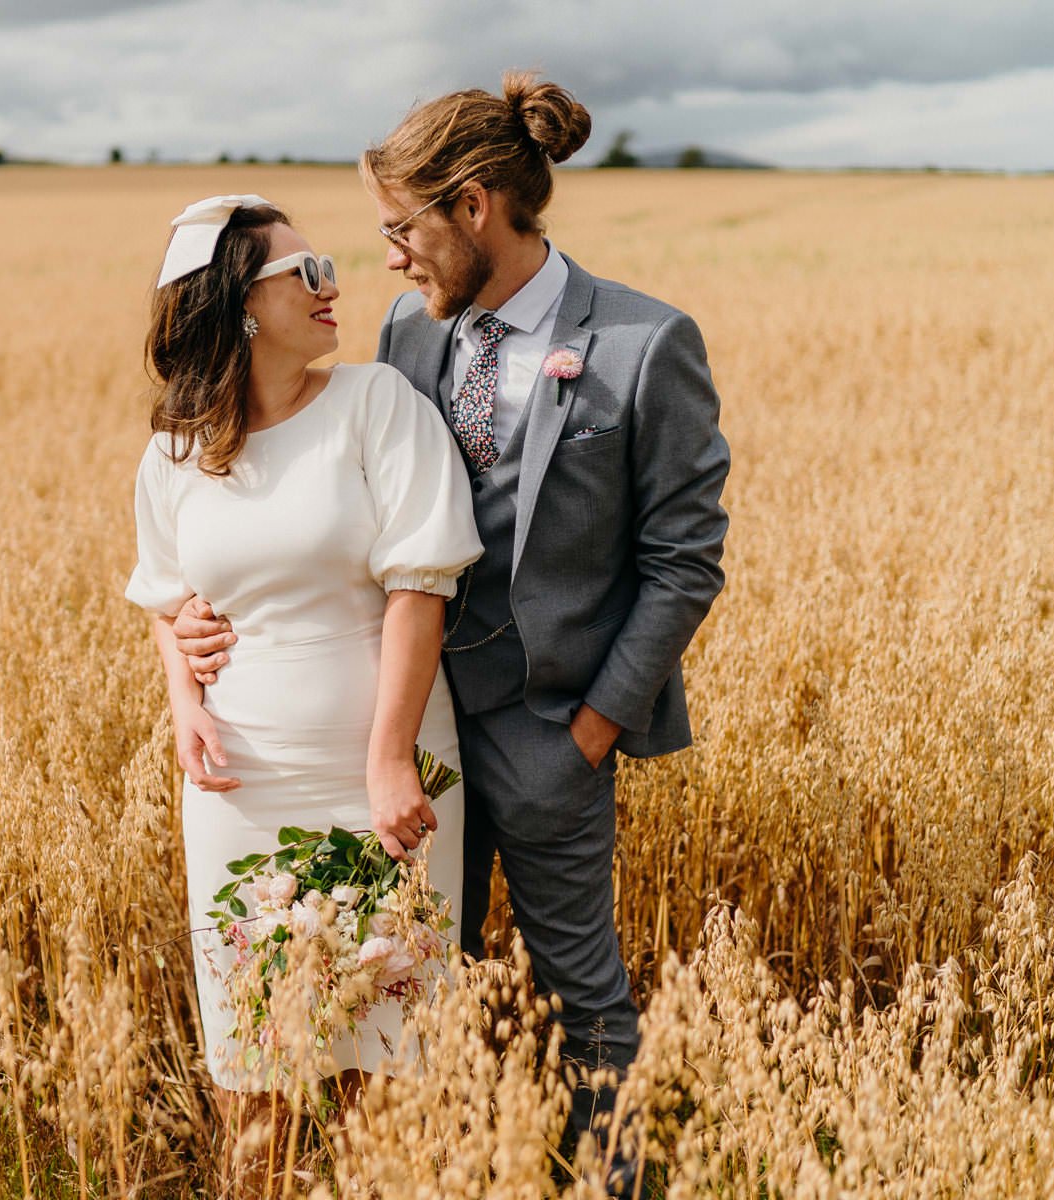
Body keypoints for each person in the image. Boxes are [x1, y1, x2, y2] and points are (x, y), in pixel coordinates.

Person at [173, 74, 731, 1185]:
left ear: (474, 206)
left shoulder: (641, 343)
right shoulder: (406, 336)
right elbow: (331, 493)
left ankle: (612, 1180)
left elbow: (684, 562)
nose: (389, 261)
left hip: (548, 732)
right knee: (409, 995)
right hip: (402, 737)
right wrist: (205, 609)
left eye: (402, 230)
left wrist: (593, 731)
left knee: (583, 996)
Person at [124, 196, 483, 1150]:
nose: (333, 286)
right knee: (257, 1053)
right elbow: (166, 596)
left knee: (392, 1047)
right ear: (237, 304)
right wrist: (180, 701)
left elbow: (422, 585)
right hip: (241, 785)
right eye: (304, 271)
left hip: (388, 780)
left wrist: (389, 758)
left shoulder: (377, 405)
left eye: (327, 264)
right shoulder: (175, 452)